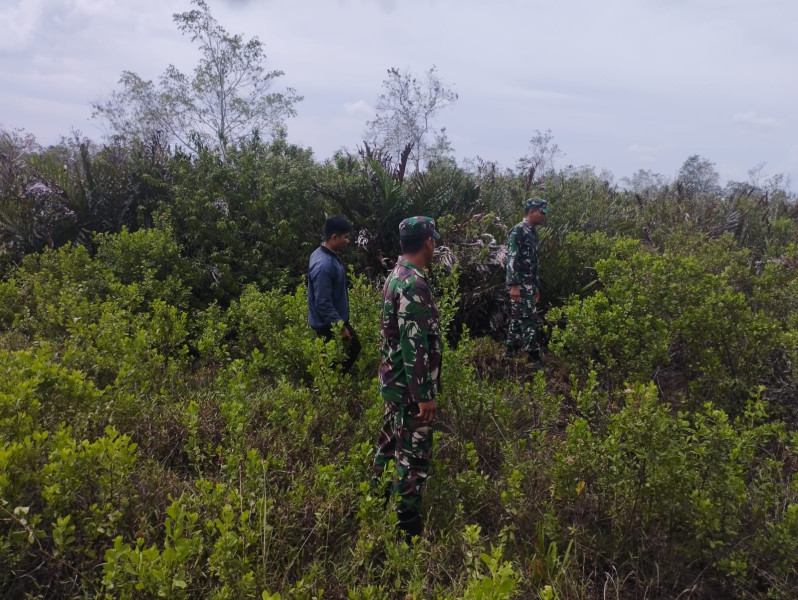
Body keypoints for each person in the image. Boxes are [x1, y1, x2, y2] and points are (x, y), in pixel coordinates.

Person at [372, 216, 443, 543]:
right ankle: (407, 532)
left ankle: (373, 503)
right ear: (428, 241)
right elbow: (414, 344)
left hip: (394, 383)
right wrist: (423, 396)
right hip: (409, 389)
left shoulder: (395, 276)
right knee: (412, 458)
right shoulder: (413, 284)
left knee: (389, 445)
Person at [307, 215, 361, 374]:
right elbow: (322, 302)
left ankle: (334, 383)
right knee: (348, 349)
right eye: (345, 237)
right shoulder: (324, 265)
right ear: (334, 237)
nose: (348, 241)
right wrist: (340, 326)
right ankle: (334, 385)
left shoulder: (322, 253)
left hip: (332, 320)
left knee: (337, 354)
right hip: (327, 324)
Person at [506, 197, 549, 365]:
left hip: (529, 284)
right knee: (530, 319)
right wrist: (514, 285)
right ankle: (534, 358)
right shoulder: (518, 231)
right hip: (520, 284)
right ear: (531, 212)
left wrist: (536, 285)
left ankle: (510, 354)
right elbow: (511, 259)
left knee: (518, 318)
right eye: (542, 212)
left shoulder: (532, 232)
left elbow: (533, 261)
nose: (544, 216)